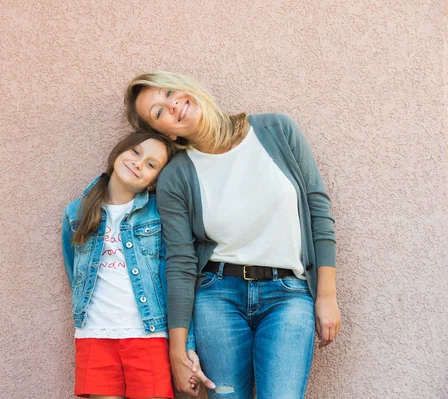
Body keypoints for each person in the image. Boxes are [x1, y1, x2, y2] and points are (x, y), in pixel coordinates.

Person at [124, 71, 341, 399]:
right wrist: (178, 352)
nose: (172, 105)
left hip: (289, 296)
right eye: (158, 112)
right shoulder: (177, 178)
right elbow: (181, 264)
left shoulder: (276, 131)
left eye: (169, 92)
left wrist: (326, 295)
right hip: (217, 300)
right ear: (161, 132)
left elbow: (318, 212)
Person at [62, 131, 183, 399]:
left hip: (148, 335)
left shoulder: (159, 214)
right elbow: (75, 273)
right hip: (94, 334)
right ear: (119, 152)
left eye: (151, 164)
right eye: (136, 152)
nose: (139, 163)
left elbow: (170, 278)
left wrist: (186, 345)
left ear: (154, 181)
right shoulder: (76, 212)